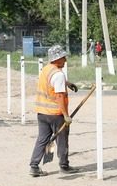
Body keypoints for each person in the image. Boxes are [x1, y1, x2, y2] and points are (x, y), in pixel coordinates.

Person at [28, 44, 79, 177]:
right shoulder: (58, 74)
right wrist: (66, 115)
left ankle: (34, 166)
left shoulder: (46, 69)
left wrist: (68, 83)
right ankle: (64, 166)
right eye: (63, 58)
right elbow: (60, 96)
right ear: (56, 59)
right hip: (56, 114)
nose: (65, 60)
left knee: (42, 139)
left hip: (42, 112)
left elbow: (51, 82)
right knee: (62, 139)